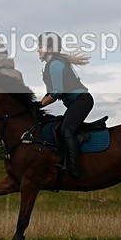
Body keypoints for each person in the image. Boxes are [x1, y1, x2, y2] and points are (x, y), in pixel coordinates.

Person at [38, 32, 93, 178]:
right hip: (78, 102)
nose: (37, 50)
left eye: (40, 46)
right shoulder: (51, 65)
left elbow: (56, 93)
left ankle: (73, 169)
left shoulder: (55, 64)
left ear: (49, 49)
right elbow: (50, 93)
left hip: (82, 101)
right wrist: (37, 104)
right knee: (59, 129)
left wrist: (39, 105)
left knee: (66, 130)